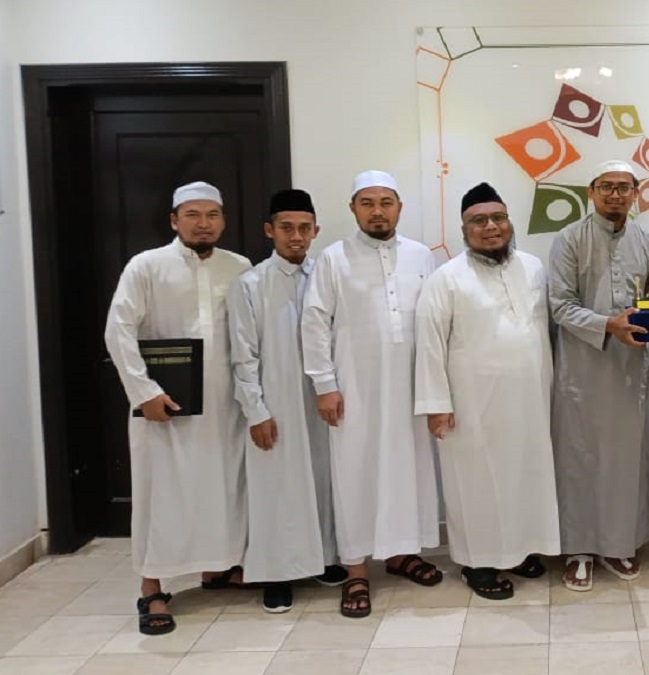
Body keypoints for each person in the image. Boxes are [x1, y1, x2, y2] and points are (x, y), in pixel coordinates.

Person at [104, 181, 251, 635]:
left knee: (222, 487)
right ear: (174, 220)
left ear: (223, 221)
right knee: (161, 493)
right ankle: (151, 587)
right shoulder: (146, 266)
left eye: (212, 215)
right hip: (164, 405)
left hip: (225, 406)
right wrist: (143, 391)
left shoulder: (239, 267)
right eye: (193, 215)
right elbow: (118, 330)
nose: (203, 224)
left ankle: (217, 568)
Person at [301, 170, 442, 618]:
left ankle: (401, 554)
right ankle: (356, 568)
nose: (377, 211)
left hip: (412, 386)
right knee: (355, 472)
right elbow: (314, 323)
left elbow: (436, 320)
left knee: (409, 468)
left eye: (385, 202)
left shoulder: (421, 256)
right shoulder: (332, 258)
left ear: (399, 207)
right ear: (353, 209)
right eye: (367, 203)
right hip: (354, 388)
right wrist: (325, 385)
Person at [414, 182, 560, 600]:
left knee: (525, 475)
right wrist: (436, 404)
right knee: (477, 485)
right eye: (479, 221)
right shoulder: (446, 278)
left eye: (498, 218)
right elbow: (429, 344)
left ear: (509, 222)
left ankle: (520, 550)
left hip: (530, 399)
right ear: (464, 230)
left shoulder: (533, 267)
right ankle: (478, 562)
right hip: (473, 405)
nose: (491, 227)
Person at [227, 189, 348, 613]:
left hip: (322, 398)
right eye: (286, 228)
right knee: (277, 486)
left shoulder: (326, 277)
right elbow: (243, 355)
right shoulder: (250, 284)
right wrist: (256, 410)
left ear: (315, 231)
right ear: (269, 230)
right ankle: (277, 572)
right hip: (275, 401)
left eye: (304, 228)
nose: (296, 236)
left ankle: (323, 558)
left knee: (322, 479)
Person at [548, 160, 649, 591]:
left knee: (624, 460)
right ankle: (579, 549)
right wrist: (609, 325)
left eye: (624, 187)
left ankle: (619, 544)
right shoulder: (569, 239)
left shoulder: (648, 242)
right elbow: (560, 306)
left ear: (635, 193)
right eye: (607, 187)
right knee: (579, 457)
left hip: (628, 369)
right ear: (591, 192)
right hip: (581, 368)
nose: (615, 194)